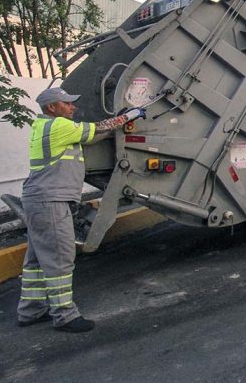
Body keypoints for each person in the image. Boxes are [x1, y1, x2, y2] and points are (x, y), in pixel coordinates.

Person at [17, 87, 145, 333]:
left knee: (36, 259)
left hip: (39, 200)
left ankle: (30, 310)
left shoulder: (44, 126)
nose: (72, 107)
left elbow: (92, 136)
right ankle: (65, 315)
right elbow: (98, 129)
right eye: (66, 103)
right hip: (50, 201)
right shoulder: (58, 126)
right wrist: (129, 116)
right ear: (52, 108)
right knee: (60, 258)